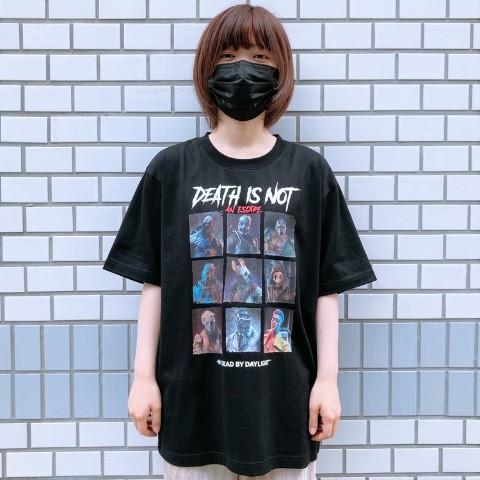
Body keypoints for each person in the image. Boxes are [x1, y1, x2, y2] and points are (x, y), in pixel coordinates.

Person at [102, 4, 377, 479]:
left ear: (280, 72)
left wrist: (328, 381)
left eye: (259, 57)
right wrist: (142, 378)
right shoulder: (171, 170)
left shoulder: (309, 172)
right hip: (192, 410)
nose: (243, 68)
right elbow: (153, 282)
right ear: (207, 71)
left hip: (284, 411)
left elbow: (326, 288)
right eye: (228, 56)